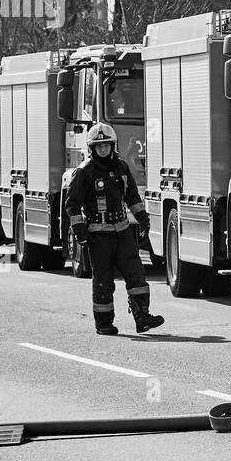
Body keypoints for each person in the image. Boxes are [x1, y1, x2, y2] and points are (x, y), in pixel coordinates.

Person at [66, 123, 164, 336]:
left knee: (136, 274)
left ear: (113, 146)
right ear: (92, 149)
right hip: (98, 235)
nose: (103, 149)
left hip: (122, 231)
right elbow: (72, 204)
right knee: (103, 280)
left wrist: (143, 218)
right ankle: (104, 323)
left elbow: (132, 197)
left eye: (106, 145)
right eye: (98, 146)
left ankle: (142, 316)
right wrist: (79, 229)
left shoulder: (121, 167)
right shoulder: (84, 172)